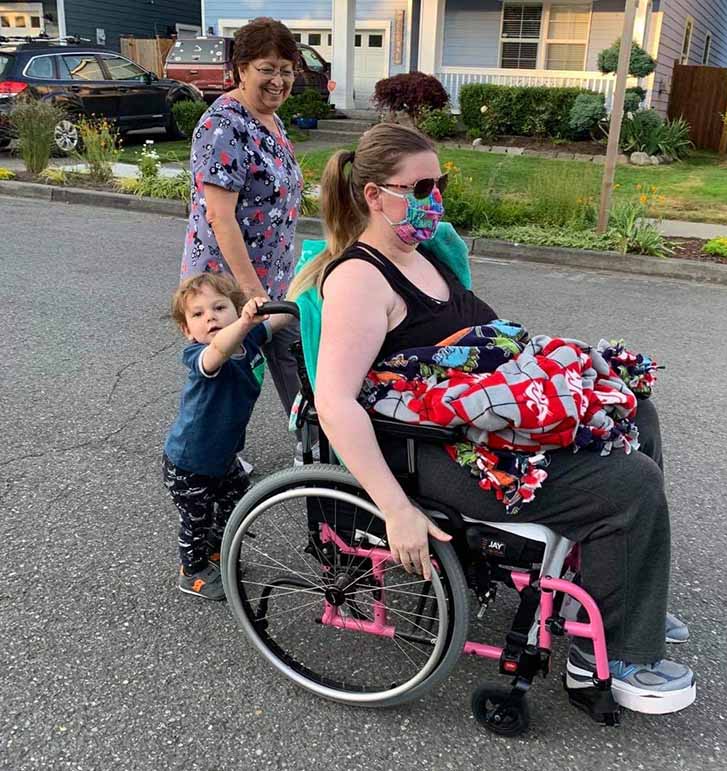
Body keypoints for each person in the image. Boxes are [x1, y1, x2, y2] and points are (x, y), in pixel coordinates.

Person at [287, 123, 696, 714]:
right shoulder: (358, 278)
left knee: (635, 409)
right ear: (375, 196)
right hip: (437, 452)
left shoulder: (426, 255)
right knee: (630, 483)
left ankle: (618, 594)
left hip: (477, 423)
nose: (435, 198)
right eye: (420, 186)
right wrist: (396, 510)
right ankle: (602, 660)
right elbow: (334, 402)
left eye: (440, 183)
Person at [180, 17, 305, 444]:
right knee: (226, 382)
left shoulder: (270, 120)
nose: (278, 80)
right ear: (241, 69)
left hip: (273, 279)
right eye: (267, 69)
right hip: (228, 287)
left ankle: (315, 448)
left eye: (286, 70)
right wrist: (253, 294)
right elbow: (220, 216)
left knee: (295, 359)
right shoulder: (224, 125)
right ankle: (205, 464)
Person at [163, 273, 274, 600]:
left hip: (224, 456)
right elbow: (219, 352)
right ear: (187, 330)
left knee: (238, 497)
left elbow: (277, 321)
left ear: (235, 308)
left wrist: (304, 298)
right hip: (189, 464)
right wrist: (242, 323)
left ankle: (215, 550)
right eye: (197, 314)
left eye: (219, 307)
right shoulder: (200, 354)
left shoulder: (249, 340)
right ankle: (191, 570)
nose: (209, 317)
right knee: (195, 522)